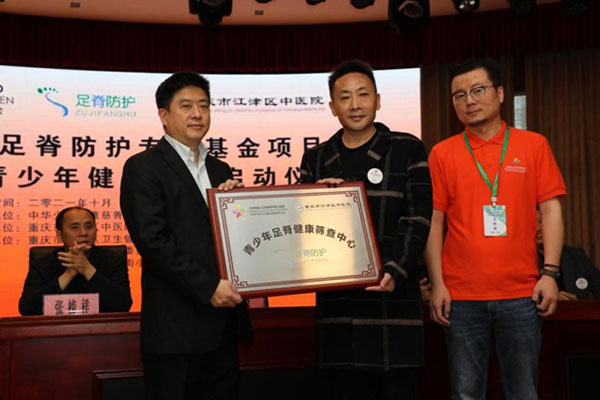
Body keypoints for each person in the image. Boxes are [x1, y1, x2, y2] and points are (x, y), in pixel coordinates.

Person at [425, 58, 567, 400]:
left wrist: (550, 273)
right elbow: (434, 222)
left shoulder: (534, 145)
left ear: (500, 93)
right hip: (460, 298)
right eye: (459, 95)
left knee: (523, 392)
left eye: (478, 90)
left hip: (522, 294)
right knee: (465, 394)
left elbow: (551, 211)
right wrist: (438, 284)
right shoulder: (442, 154)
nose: (469, 101)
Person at [300, 59, 432, 400]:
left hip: (391, 298)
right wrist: (314, 201)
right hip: (337, 307)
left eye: (363, 94)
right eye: (344, 97)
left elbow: (418, 218)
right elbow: (301, 230)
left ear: (378, 100)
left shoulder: (407, 148)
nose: (355, 104)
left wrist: (395, 269)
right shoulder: (315, 159)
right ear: (333, 107)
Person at [120, 71, 251, 400]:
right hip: (175, 331)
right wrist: (208, 287)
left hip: (224, 324)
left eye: (204, 106)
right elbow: (153, 241)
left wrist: (240, 209)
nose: (197, 114)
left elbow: (231, 241)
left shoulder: (221, 170)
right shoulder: (143, 167)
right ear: (164, 116)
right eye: (187, 106)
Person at [18, 206, 132, 315]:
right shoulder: (43, 263)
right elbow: (27, 309)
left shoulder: (113, 259)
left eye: (89, 227)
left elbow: (123, 305)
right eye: (74, 227)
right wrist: (69, 274)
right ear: (59, 235)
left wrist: (87, 269)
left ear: (96, 231)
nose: (83, 233)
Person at [535, 211, 600, 300]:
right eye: (532, 225)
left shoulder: (577, 255)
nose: (538, 228)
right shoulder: (524, 262)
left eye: (541, 221)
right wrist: (550, 297)